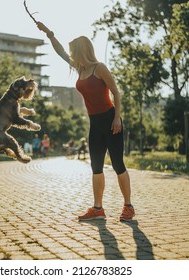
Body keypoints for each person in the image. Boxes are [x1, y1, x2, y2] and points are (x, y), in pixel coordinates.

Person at [36, 22, 135, 221]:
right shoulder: (79, 68)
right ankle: (98, 208)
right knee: (96, 166)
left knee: (118, 164)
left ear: (82, 51)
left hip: (110, 120)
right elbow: (60, 52)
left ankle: (128, 206)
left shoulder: (100, 68)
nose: (71, 54)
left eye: (74, 51)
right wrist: (49, 33)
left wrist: (117, 118)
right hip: (94, 123)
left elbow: (116, 92)